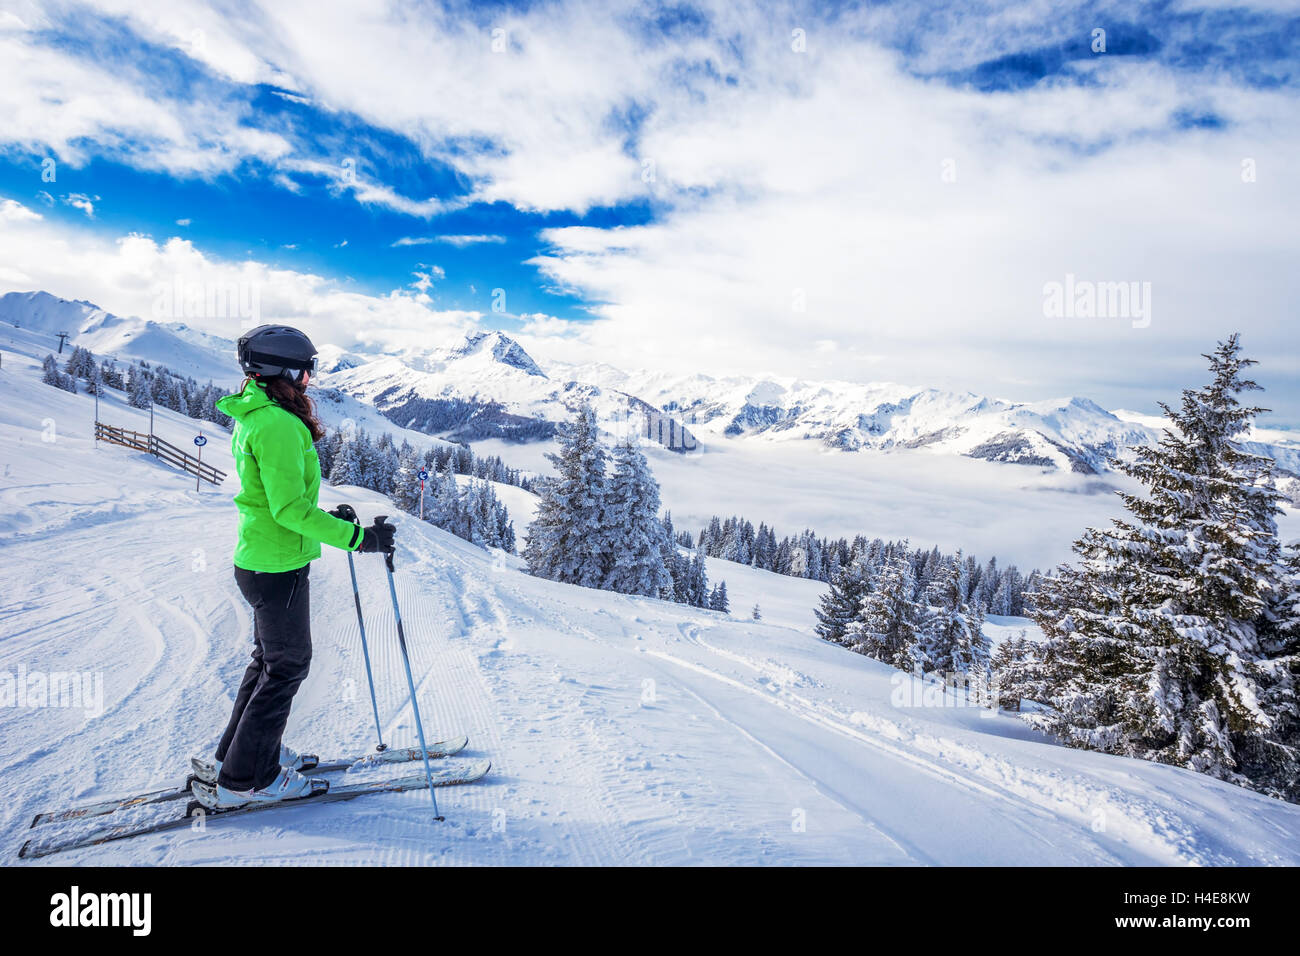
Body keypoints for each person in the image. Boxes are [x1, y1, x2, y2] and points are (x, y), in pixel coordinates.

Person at [198, 324, 394, 808]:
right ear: (284, 371)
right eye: (306, 370)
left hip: (261, 559)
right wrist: (358, 539)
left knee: (269, 662)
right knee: (287, 666)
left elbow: (276, 499)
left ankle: (240, 756)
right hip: (277, 566)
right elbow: (288, 510)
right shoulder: (280, 425)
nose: (309, 379)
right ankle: (247, 781)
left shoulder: (258, 414)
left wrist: (327, 517)